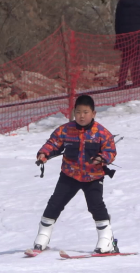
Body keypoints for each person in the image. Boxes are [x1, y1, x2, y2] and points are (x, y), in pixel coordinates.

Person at [26, 95, 118, 257]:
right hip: (69, 175)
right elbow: (53, 143)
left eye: (86, 112)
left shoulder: (102, 133)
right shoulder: (65, 130)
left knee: (96, 206)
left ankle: (106, 240)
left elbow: (110, 151)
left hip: (93, 177)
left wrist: (102, 158)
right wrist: (43, 154)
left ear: (94, 113)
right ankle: (42, 237)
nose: (82, 116)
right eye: (78, 112)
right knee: (55, 203)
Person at [114, 0, 140, 87]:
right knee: (138, 59)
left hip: (125, 36)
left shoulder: (121, 2)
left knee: (125, 59)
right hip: (139, 34)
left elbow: (117, 20)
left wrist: (118, 36)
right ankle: (137, 81)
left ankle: (121, 82)